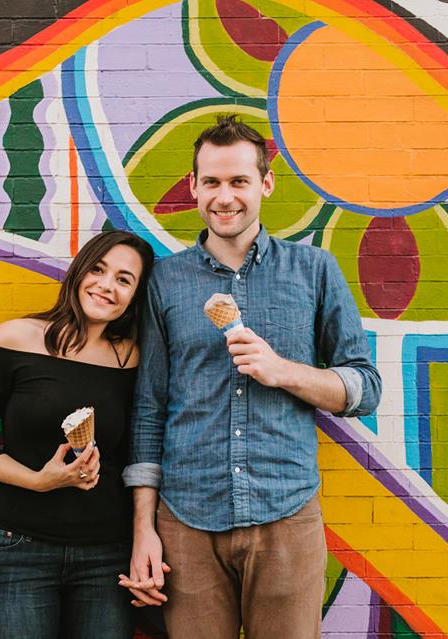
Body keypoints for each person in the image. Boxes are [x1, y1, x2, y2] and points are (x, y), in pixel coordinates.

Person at [119, 115, 382, 638]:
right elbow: (149, 408)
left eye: (238, 181)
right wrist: (143, 528)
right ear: (193, 187)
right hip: (186, 518)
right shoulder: (165, 280)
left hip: (286, 512)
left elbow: (364, 387)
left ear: (265, 184)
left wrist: (283, 371)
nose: (225, 196)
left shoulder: (314, 270)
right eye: (211, 181)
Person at [0, 230, 155, 639]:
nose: (106, 286)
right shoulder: (15, 338)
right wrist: (38, 481)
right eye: (98, 269)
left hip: (106, 557)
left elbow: (140, 454)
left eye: (124, 279)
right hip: (19, 549)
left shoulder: (133, 359)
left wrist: (142, 542)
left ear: (135, 296)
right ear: (79, 272)